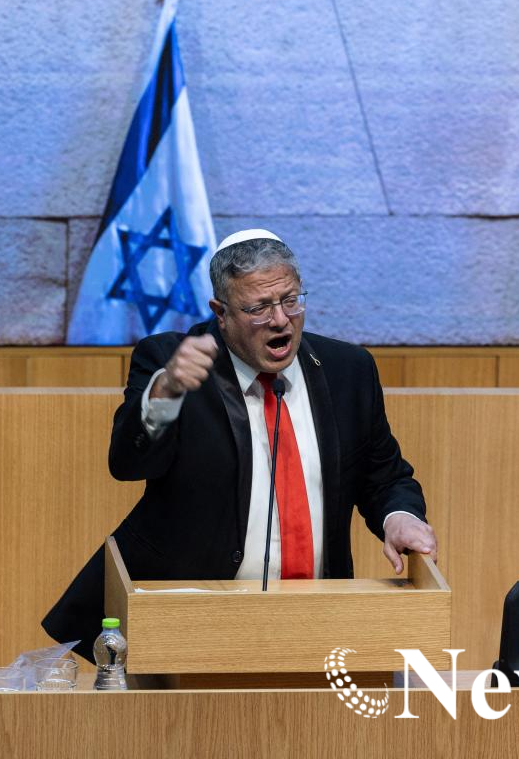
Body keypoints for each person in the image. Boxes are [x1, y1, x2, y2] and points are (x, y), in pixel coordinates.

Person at [43, 229, 439, 651]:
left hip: (319, 614)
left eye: (290, 300)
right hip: (195, 617)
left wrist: (399, 516)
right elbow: (127, 463)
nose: (280, 319)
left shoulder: (348, 369)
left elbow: (384, 476)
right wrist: (165, 393)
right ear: (221, 312)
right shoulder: (172, 362)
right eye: (259, 307)